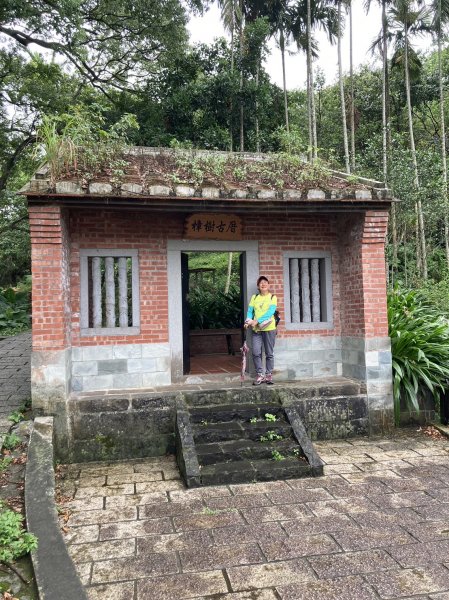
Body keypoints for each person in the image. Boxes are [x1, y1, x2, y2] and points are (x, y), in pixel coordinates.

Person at [245, 275, 277, 385]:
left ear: (268, 285)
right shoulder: (254, 297)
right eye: (260, 283)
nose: (263, 284)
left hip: (269, 328)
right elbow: (250, 311)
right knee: (256, 352)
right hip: (256, 330)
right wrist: (247, 321)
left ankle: (268, 375)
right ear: (258, 286)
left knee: (269, 353)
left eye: (265, 282)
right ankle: (260, 374)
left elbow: (270, 312)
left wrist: (256, 321)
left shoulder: (273, 297)